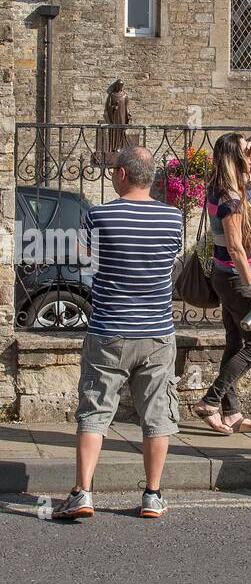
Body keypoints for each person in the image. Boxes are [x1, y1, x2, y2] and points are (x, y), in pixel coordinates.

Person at [52, 147, 183, 520]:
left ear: (123, 174)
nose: (112, 175)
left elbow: (85, 257)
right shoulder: (173, 218)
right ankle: (153, 494)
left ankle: (83, 492)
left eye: (114, 170)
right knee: (157, 413)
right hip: (157, 332)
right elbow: (170, 260)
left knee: (95, 409)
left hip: (109, 329)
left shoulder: (99, 216)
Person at [194, 133, 251, 435]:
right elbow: (235, 248)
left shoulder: (226, 187)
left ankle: (232, 414)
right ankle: (210, 400)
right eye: (243, 150)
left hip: (227, 277)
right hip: (236, 280)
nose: (248, 153)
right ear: (233, 157)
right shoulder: (229, 197)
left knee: (235, 343)